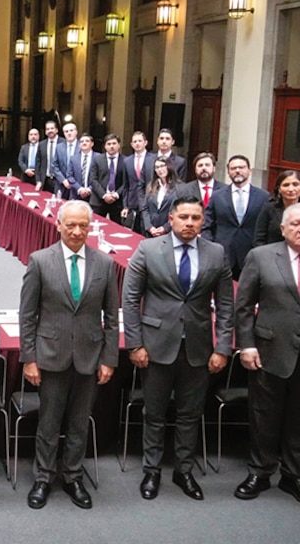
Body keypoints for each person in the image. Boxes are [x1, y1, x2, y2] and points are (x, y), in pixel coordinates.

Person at [122, 196, 234, 501]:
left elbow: (225, 304)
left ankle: (184, 470)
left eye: (195, 218)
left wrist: (223, 346)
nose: (189, 223)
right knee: (154, 413)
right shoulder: (148, 248)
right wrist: (134, 344)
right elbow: (130, 299)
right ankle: (152, 470)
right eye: (183, 217)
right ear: (171, 219)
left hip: (199, 346)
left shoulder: (216, 252)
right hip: (156, 345)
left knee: (190, 413)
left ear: (203, 221)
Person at [19, 200, 118, 510]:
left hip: (90, 357)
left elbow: (112, 318)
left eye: (83, 226)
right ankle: (44, 477)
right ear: (58, 225)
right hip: (51, 355)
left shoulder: (104, 263)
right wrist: (29, 358)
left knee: (78, 423)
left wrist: (109, 359)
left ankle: (73, 475)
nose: (77, 231)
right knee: (48, 423)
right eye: (71, 225)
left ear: (90, 228)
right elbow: (27, 315)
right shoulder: (39, 261)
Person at [234, 203, 300, 504]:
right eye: (296, 224)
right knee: (264, 416)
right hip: (268, 349)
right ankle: (260, 471)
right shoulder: (261, 256)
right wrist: (246, 344)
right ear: (283, 228)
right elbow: (244, 305)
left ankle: (292, 474)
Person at [202, 154, 271, 279]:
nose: (237, 171)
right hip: (223, 255)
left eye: (241, 167)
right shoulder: (217, 196)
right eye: (233, 168)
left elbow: (267, 227)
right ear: (228, 172)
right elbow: (206, 224)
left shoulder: (264, 197)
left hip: (251, 255)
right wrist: (211, 247)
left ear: (249, 171)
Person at [122, 131, 157, 233]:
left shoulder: (154, 158)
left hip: (149, 199)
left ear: (145, 143)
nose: (137, 143)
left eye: (139, 141)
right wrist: (125, 206)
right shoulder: (127, 161)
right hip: (133, 202)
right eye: (134, 141)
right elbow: (126, 185)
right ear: (132, 144)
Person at [139, 156, 182, 238]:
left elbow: (179, 212)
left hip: (169, 232)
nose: (160, 169)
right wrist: (149, 227)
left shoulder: (180, 187)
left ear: (169, 167)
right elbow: (145, 209)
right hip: (151, 232)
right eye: (157, 167)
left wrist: (165, 228)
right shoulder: (151, 186)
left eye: (163, 166)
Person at [254, 170, 300, 246]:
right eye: (286, 185)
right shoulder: (269, 208)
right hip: (272, 255)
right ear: (279, 189)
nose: (291, 189)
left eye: (295, 184)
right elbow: (259, 239)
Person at [87, 134, 127, 220]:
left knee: (116, 230)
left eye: (114, 143)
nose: (111, 146)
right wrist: (104, 195)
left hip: (117, 202)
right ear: (105, 146)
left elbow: (126, 182)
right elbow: (93, 179)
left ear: (119, 145)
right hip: (99, 200)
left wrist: (116, 195)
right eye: (109, 144)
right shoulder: (97, 159)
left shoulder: (125, 161)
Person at [50, 123, 82, 200]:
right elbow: (54, 165)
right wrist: (63, 180)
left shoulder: (82, 146)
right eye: (66, 131)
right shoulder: (59, 147)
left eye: (71, 130)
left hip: (78, 185)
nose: (69, 133)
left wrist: (74, 183)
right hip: (61, 185)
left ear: (76, 132)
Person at [73, 134, 100, 202]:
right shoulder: (73, 158)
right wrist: (79, 189)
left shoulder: (99, 157)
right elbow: (69, 176)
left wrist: (89, 189)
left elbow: (100, 176)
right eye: (82, 141)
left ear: (92, 144)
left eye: (87, 141)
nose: (84, 143)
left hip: (93, 195)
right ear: (79, 145)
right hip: (76, 194)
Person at [40, 120, 61, 194]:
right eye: (47, 129)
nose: (50, 131)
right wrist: (38, 180)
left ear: (56, 130)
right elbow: (38, 163)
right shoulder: (41, 144)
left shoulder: (63, 143)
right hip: (45, 180)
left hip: (59, 180)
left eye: (52, 128)